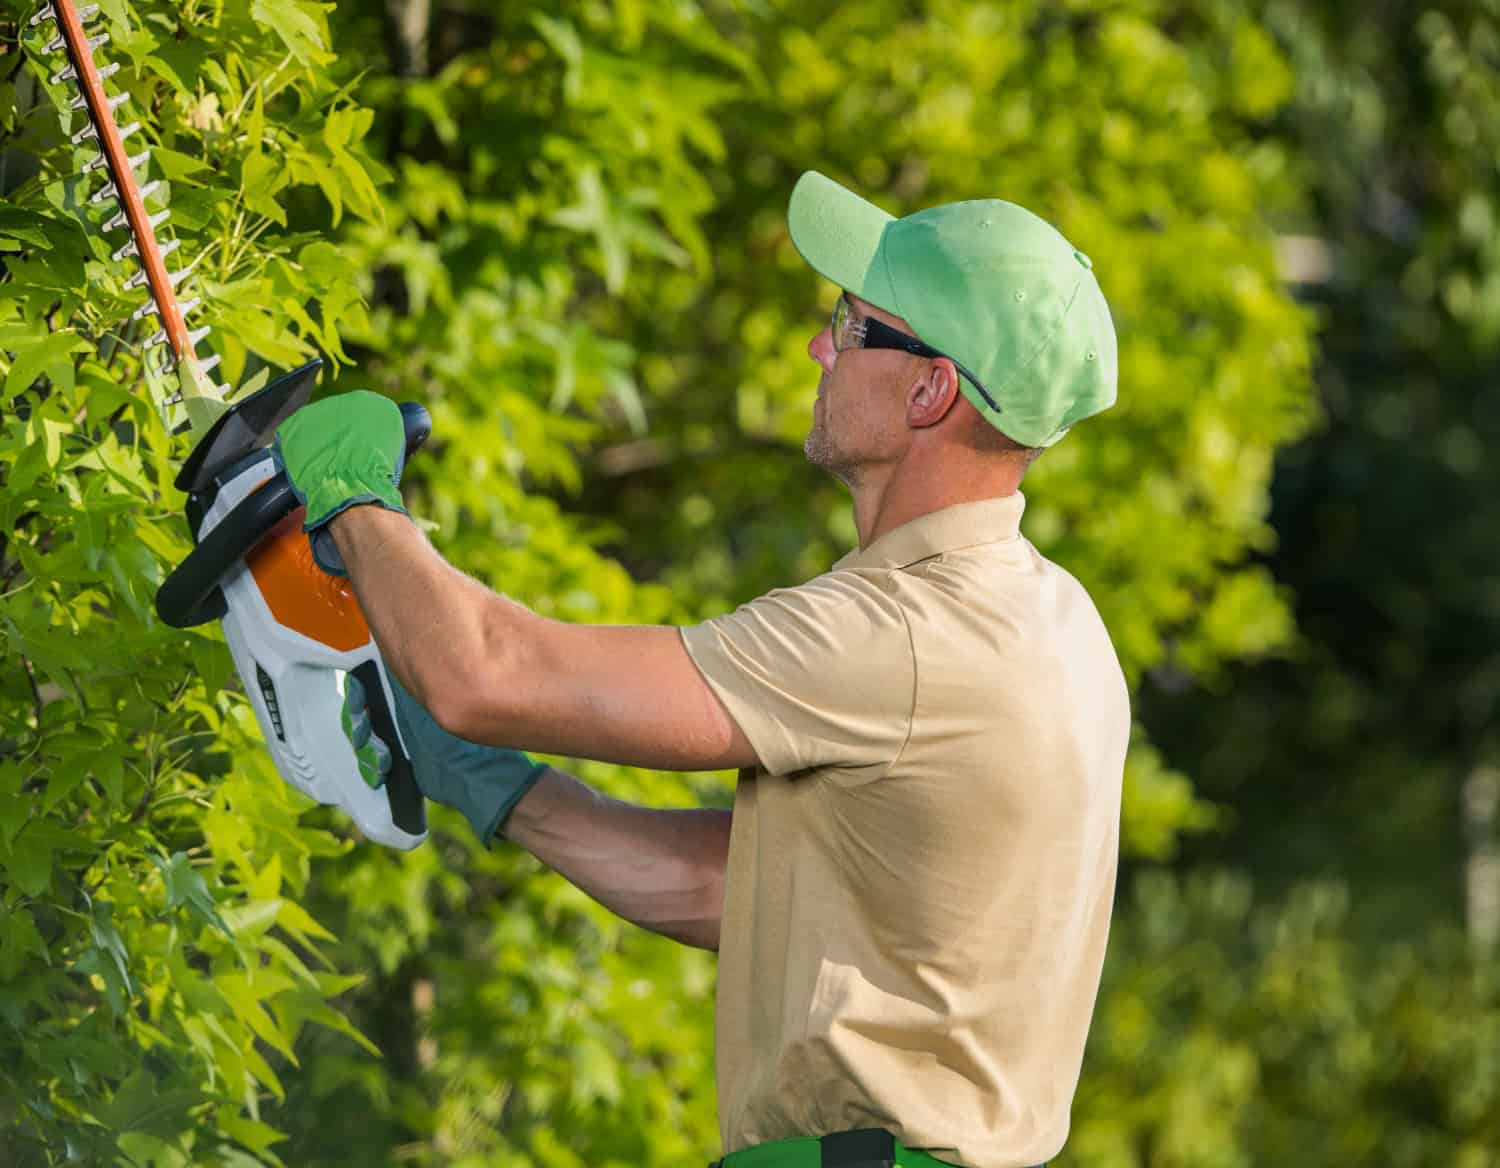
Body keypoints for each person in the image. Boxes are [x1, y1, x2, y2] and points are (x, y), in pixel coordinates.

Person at [276, 170, 1129, 1168]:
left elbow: (484, 669)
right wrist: (491, 779)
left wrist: (355, 497)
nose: (820, 346)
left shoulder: (900, 635)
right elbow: (744, 895)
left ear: (931, 387)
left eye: (851, 326)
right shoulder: (1055, 620)